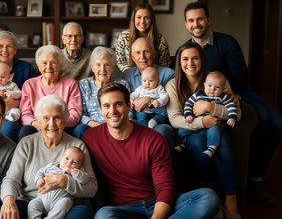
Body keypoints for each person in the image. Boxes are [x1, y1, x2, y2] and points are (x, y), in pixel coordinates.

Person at [183, 2, 282, 205]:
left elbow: (241, 77)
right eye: (192, 20)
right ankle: (254, 179)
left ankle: (257, 175)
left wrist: (232, 94)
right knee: (262, 119)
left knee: (277, 123)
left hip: (239, 92)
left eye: (200, 19)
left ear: (209, 20)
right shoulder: (187, 51)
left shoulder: (226, 42)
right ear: (186, 24)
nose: (197, 24)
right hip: (213, 97)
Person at [83, 82, 221, 218]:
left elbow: (165, 187)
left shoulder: (153, 138)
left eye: (118, 104)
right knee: (103, 216)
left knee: (208, 198)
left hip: (158, 203)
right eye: (107, 106)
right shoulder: (91, 138)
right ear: (101, 110)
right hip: (124, 211)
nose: (112, 111)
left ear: (129, 106)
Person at [0, 95, 97, 219]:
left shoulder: (77, 147)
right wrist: (8, 201)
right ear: (38, 121)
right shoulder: (27, 143)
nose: (51, 124)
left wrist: (65, 182)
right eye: (46, 118)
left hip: (63, 208)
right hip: (30, 205)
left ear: (65, 120)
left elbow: (92, 188)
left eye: (57, 118)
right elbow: (12, 179)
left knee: (82, 213)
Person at [165, 42, 240, 217]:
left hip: (217, 129)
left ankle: (230, 199)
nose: (190, 63)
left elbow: (238, 113)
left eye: (195, 58)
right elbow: (175, 119)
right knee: (198, 143)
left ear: (202, 60)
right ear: (179, 62)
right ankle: (213, 197)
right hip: (190, 132)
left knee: (221, 142)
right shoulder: (172, 85)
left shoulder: (216, 78)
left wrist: (210, 107)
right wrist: (204, 122)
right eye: (185, 59)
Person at [120, 37, 176, 149]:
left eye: (146, 51)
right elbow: (124, 102)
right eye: (138, 53)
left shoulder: (169, 74)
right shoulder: (126, 76)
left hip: (160, 121)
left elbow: (174, 107)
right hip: (135, 120)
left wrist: (150, 101)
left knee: (161, 132)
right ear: (132, 57)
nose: (142, 57)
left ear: (154, 54)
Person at [18, 45, 82, 141]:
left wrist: (57, 124)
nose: (49, 67)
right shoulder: (29, 84)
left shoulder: (70, 84)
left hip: (63, 126)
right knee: (25, 130)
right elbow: (25, 113)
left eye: (53, 62)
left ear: (60, 65)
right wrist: (39, 124)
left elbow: (75, 113)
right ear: (39, 66)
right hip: (37, 126)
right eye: (44, 63)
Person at [0, 30, 38, 142]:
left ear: (15, 50)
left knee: (7, 129)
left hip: (14, 114)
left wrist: (15, 103)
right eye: (0, 46)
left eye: (9, 46)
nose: (4, 50)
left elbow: (34, 96)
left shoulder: (26, 68)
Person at [175, 71, 238, 158]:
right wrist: (188, 115)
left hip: (214, 123)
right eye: (209, 86)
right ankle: (182, 144)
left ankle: (212, 147)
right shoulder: (198, 94)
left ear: (223, 89)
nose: (212, 89)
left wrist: (232, 117)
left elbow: (231, 107)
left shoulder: (223, 97)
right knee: (182, 130)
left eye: (217, 87)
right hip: (197, 122)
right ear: (204, 85)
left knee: (215, 131)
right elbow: (188, 103)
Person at [75, 46, 130, 139]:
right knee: (80, 129)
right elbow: (82, 114)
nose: (102, 69)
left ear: (113, 67)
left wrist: (112, 126)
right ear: (92, 67)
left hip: (117, 124)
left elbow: (129, 111)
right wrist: (97, 126)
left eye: (107, 65)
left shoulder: (122, 84)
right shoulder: (84, 84)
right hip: (92, 126)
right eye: (98, 65)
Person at [27, 146, 90, 219]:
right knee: (32, 204)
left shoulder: (77, 172)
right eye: (67, 158)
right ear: (61, 158)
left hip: (61, 200)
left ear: (80, 166)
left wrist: (73, 171)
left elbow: (85, 179)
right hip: (42, 199)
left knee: (66, 202)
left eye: (74, 162)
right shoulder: (52, 166)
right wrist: (38, 179)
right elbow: (40, 172)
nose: (69, 163)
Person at [115, 3, 171, 72]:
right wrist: (133, 75)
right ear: (134, 19)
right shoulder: (123, 36)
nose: (142, 22)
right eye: (139, 17)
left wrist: (150, 76)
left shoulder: (160, 40)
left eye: (147, 18)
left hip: (153, 77)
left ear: (151, 20)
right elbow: (120, 61)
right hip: (130, 76)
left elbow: (164, 64)